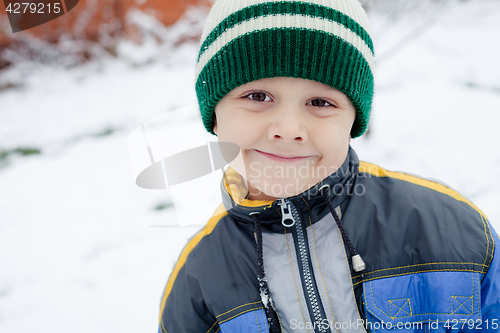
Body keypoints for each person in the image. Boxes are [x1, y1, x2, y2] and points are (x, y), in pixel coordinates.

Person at [157, 0, 500, 332]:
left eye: (320, 102)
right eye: (257, 97)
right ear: (214, 116)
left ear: (352, 122)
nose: (288, 130)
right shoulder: (198, 280)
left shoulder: (452, 233)